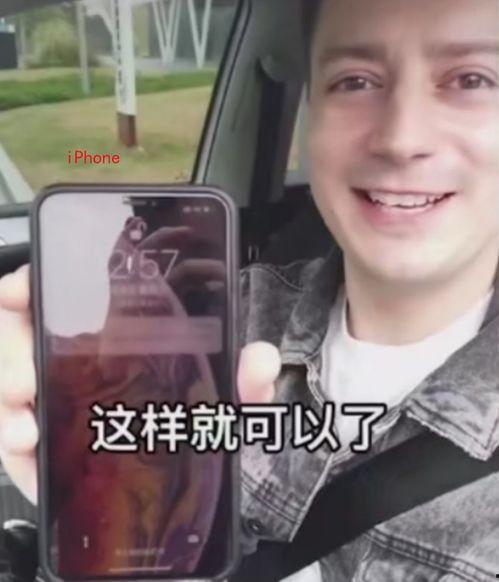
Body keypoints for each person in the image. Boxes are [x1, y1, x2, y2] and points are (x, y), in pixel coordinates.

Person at [1, 0, 499, 579]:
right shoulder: (205, 324)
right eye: (355, 81)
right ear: (310, 116)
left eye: (472, 80)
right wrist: (108, 523)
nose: (401, 138)